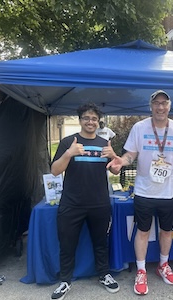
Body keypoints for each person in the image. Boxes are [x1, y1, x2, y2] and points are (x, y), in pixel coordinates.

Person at [106, 90, 173, 296]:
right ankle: (141, 271)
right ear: (151, 106)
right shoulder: (139, 127)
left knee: (166, 232)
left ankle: (163, 265)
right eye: (156, 103)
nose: (160, 107)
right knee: (143, 232)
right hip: (144, 191)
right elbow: (130, 155)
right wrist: (121, 162)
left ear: (169, 106)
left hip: (168, 192)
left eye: (164, 103)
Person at [50, 102, 120, 300]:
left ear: (98, 122)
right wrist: (69, 153)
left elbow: (116, 170)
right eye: (86, 118)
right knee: (67, 244)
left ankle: (104, 275)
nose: (90, 122)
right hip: (72, 203)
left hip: (99, 203)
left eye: (94, 119)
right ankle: (65, 281)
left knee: (101, 243)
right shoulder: (68, 142)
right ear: (80, 120)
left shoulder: (103, 143)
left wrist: (114, 156)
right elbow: (55, 170)